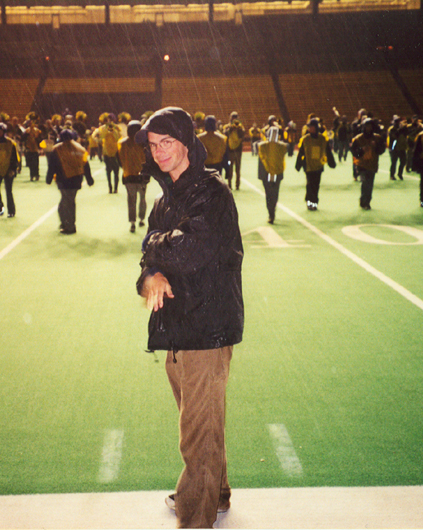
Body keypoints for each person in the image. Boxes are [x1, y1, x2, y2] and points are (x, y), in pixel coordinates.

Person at [134, 107, 243, 529]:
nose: (159, 152)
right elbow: (148, 256)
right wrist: (148, 276)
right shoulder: (167, 197)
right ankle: (217, 493)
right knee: (201, 419)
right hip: (177, 327)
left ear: (185, 143)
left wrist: (155, 249)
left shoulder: (210, 193)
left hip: (206, 327)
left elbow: (191, 250)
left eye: (167, 142)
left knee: (196, 431)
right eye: (153, 144)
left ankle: (194, 517)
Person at [45, 129, 95, 234]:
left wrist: (49, 178)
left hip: (64, 179)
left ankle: (69, 225)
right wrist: (89, 179)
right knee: (68, 202)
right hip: (76, 179)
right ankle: (66, 223)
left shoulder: (57, 149)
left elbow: (52, 166)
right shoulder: (80, 149)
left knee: (67, 203)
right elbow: (86, 164)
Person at [296, 118, 336, 211]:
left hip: (318, 166)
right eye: (310, 127)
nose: (311, 129)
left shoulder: (322, 139)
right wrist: (298, 165)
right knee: (310, 185)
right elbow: (301, 153)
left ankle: (313, 201)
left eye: (312, 127)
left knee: (316, 185)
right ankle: (310, 202)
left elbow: (328, 151)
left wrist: (331, 163)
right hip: (308, 166)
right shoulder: (305, 139)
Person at [118, 120, 149, 233]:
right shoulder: (145, 144)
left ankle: (132, 222)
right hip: (142, 176)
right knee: (142, 198)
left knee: (131, 199)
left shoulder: (122, 143)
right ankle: (141, 218)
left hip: (128, 175)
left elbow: (119, 159)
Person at [350, 117, 386, 210]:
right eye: (367, 126)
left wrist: (376, 146)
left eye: (370, 126)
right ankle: (364, 201)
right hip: (362, 165)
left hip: (372, 165)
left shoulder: (377, 138)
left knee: (370, 184)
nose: (368, 128)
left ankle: (367, 201)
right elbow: (354, 153)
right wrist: (362, 150)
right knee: (365, 183)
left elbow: (381, 150)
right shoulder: (358, 139)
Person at [257, 123, 287, 224]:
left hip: (274, 173)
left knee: (272, 194)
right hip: (268, 174)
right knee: (271, 193)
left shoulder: (279, 147)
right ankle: (271, 212)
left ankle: (271, 212)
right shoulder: (264, 146)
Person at [0, 123, 20, 217]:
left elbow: (15, 157)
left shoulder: (11, 143)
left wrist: (13, 169)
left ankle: (11, 211)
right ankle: (0, 205)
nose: (0, 133)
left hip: (8, 169)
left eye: (1, 131)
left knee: (8, 191)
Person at [223, 111, 245, 190]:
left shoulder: (240, 127)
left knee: (238, 168)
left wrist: (238, 129)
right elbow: (225, 134)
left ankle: (237, 185)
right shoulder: (227, 127)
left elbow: (242, 136)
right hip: (230, 151)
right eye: (233, 118)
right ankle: (229, 184)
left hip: (238, 151)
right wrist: (231, 129)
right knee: (230, 168)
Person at [99, 118, 122, 193]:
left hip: (115, 154)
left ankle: (115, 188)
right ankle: (110, 187)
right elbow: (101, 136)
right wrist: (106, 128)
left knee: (116, 172)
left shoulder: (116, 131)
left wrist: (114, 130)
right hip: (107, 154)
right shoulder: (104, 131)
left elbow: (119, 138)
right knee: (108, 173)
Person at [387, 116, 407, 181]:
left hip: (401, 147)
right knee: (394, 162)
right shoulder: (392, 129)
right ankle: (392, 175)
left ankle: (400, 173)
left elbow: (406, 135)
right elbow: (394, 137)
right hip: (394, 148)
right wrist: (400, 131)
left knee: (403, 161)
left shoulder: (402, 128)